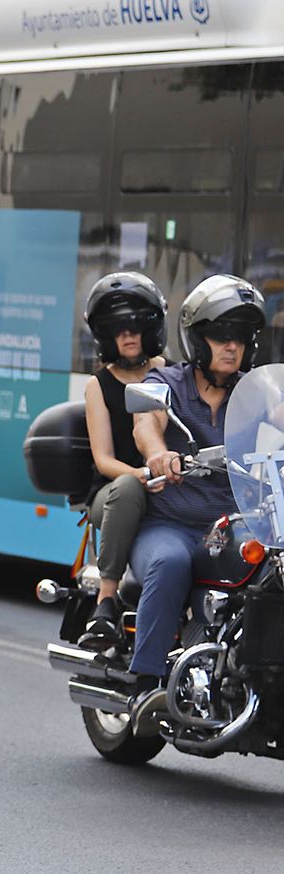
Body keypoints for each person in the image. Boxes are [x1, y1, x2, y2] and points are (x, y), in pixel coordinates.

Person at [128, 275, 265, 698]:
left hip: (232, 528)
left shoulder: (255, 394)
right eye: (221, 335)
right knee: (170, 562)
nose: (231, 347)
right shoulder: (167, 383)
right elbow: (146, 422)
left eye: (239, 338)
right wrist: (156, 453)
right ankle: (147, 682)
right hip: (171, 526)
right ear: (197, 340)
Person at [78, 272, 168, 651]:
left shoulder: (169, 371)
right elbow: (102, 460)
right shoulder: (98, 385)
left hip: (169, 484)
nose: (128, 336)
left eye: (135, 327)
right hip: (115, 493)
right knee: (128, 488)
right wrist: (141, 475)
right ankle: (106, 602)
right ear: (106, 337)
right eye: (118, 330)